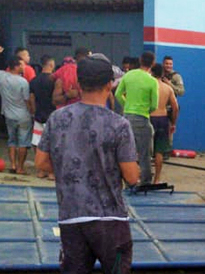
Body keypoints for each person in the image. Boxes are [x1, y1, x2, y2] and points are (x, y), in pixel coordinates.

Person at [35, 53, 139, 274]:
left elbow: (41, 162)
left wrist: (70, 171)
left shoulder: (57, 119)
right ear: (109, 84)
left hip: (72, 217)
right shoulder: (119, 125)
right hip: (111, 221)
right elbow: (131, 177)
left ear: (79, 83)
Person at [115, 51, 159, 185]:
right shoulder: (152, 81)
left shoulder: (128, 75)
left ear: (140, 61)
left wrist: (126, 105)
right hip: (142, 118)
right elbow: (154, 105)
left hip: (126, 117)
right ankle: (145, 182)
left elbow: (117, 94)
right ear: (153, 63)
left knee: (127, 152)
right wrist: (145, 110)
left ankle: (128, 181)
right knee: (144, 154)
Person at [0, 56, 32, 174]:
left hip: (8, 115)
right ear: (17, 67)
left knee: (12, 140)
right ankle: (20, 167)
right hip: (23, 115)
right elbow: (26, 100)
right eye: (22, 65)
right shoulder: (23, 82)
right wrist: (32, 112)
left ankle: (13, 165)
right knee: (23, 142)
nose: (24, 67)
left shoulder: (2, 77)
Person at [150, 63, 179, 184]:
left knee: (145, 150)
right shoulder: (168, 88)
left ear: (151, 73)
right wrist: (173, 122)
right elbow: (175, 107)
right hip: (162, 119)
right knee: (159, 151)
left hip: (150, 117)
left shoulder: (149, 86)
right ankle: (157, 179)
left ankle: (144, 177)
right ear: (162, 74)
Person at [29, 55, 56, 179]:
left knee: (37, 143)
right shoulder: (54, 80)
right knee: (52, 143)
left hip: (38, 115)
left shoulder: (34, 80)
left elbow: (32, 98)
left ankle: (40, 170)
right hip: (52, 115)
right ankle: (51, 171)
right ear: (50, 64)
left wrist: (34, 113)